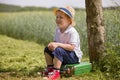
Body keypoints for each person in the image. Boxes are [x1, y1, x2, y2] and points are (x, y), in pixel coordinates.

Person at [42, 6, 83, 80]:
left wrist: (57, 45)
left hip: (73, 56)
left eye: (61, 17)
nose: (58, 19)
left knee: (58, 50)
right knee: (47, 49)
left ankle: (56, 72)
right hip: (63, 54)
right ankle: (50, 69)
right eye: (57, 17)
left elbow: (71, 47)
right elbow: (56, 42)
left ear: (69, 21)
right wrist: (52, 45)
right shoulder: (58, 30)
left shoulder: (72, 31)